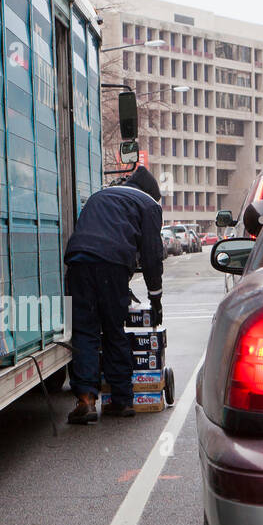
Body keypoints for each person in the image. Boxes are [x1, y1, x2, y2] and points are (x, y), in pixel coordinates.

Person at [63, 166, 165, 424]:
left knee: (84, 330)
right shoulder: (149, 205)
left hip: (78, 261)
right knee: (113, 329)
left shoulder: (100, 195)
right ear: (151, 193)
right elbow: (152, 258)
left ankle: (86, 400)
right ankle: (121, 400)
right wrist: (155, 298)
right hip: (112, 265)